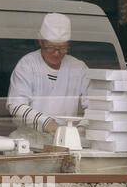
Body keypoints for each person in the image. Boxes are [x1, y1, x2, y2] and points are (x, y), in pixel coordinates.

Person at [7, 12, 90, 140]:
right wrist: (47, 123)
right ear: (40, 42)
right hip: (29, 141)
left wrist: (82, 128)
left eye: (62, 48)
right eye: (51, 48)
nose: (57, 54)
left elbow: (95, 106)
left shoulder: (78, 68)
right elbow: (16, 105)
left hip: (66, 141)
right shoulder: (27, 65)